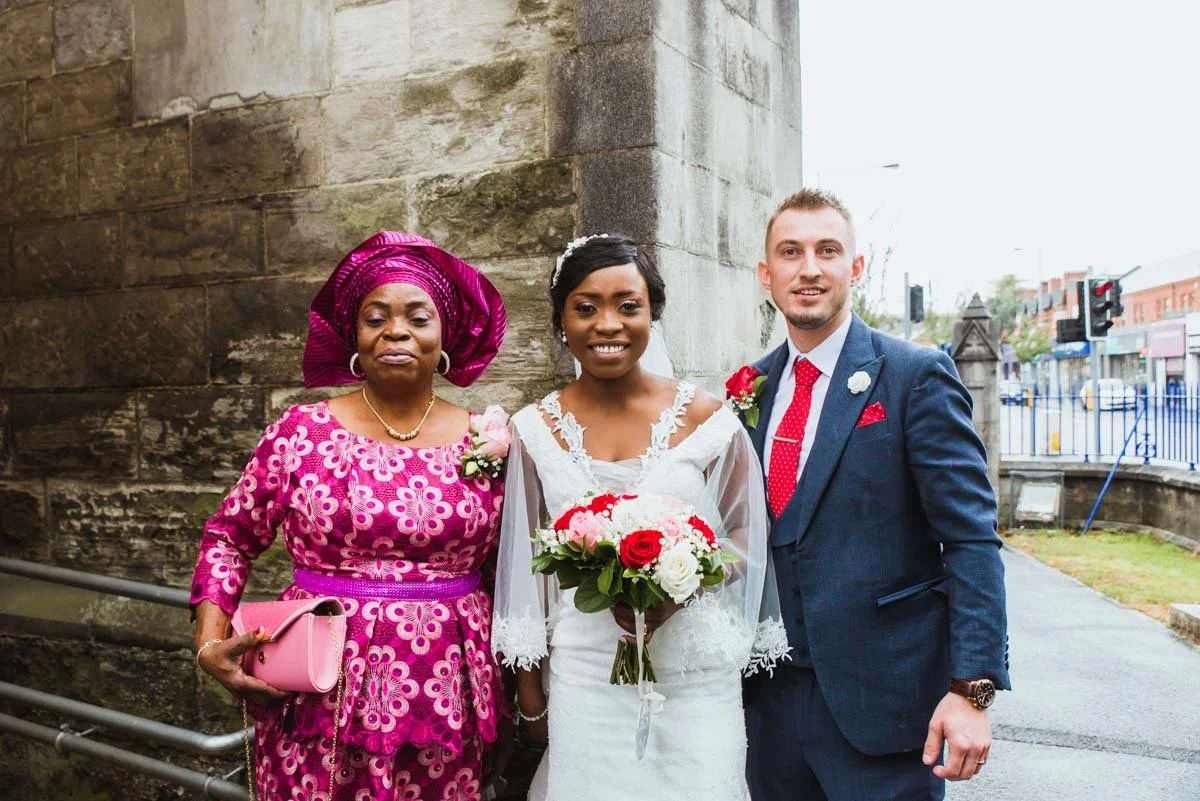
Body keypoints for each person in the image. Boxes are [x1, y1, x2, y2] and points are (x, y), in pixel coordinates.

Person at [191, 231, 512, 801]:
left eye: (418, 317)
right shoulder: (301, 433)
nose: (396, 331)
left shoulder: (486, 440)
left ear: (446, 340)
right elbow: (228, 536)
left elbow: (507, 570)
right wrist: (209, 642)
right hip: (318, 686)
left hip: (447, 696)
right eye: (376, 318)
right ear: (354, 340)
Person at [490, 234, 789, 801]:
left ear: (654, 313)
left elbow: (748, 530)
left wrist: (690, 578)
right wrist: (531, 698)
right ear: (561, 320)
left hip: (695, 678)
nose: (608, 324)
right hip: (586, 672)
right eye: (586, 307)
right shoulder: (532, 430)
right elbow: (525, 562)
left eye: (629, 306)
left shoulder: (708, 418)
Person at [741, 189, 1011, 801]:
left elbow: (970, 538)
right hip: (769, 708)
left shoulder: (916, 375)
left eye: (827, 250)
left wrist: (972, 690)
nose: (809, 268)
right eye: (791, 252)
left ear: (854, 267)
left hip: (886, 708)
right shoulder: (749, 388)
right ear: (767, 274)